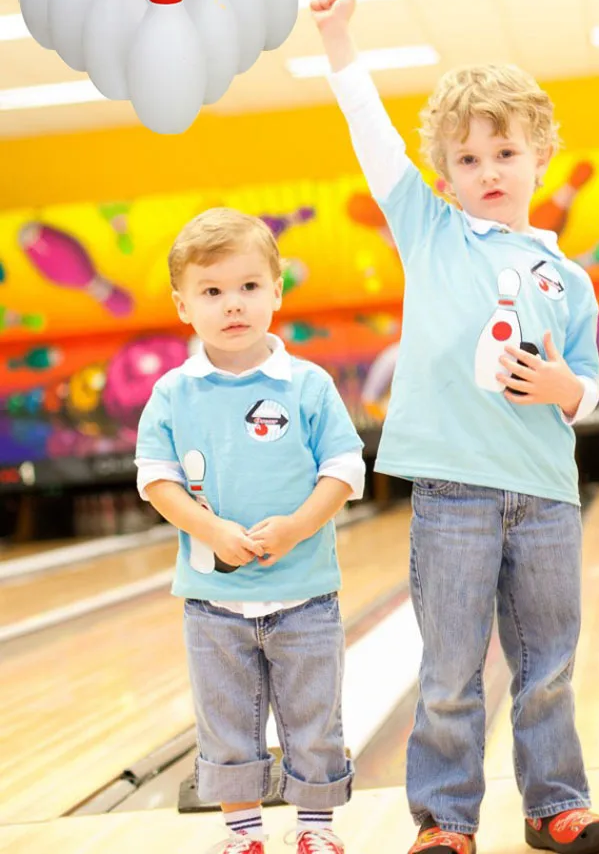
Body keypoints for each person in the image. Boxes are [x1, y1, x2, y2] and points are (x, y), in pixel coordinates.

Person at [311, 0, 599, 854]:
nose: (489, 170)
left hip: (547, 495)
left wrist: (564, 388)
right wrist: (339, 42)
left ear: (540, 158)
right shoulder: (432, 232)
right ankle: (445, 824)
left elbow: (589, 386)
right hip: (453, 492)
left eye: (505, 151)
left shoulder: (572, 278)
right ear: (444, 174)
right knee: (449, 671)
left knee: (548, 667)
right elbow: (373, 141)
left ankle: (556, 805)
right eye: (469, 157)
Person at [135, 207, 366, 854]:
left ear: (276, 292)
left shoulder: (308, 385)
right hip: (213, 603)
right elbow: (155, 480)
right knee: (228, 725)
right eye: (211, 292)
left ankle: (316, 830)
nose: (232, 304)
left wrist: (296, 527)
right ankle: (245, 835)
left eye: (248, 287)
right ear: (184, 305)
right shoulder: (173, 394)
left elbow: (344, 469)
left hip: (307, 595)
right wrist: (208, 529)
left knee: (315, 723)